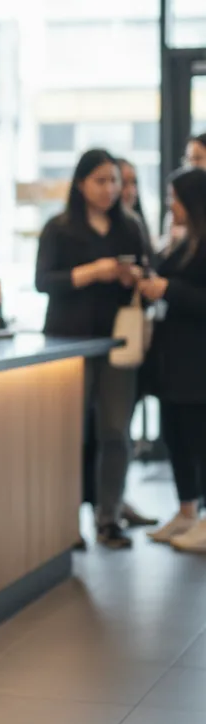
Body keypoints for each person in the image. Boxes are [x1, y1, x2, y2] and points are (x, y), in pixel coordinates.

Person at [35, 148, 148, 550]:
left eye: (115, 180)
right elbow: (44, 282)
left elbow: (148, 279)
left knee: (116, 432)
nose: (110, 189)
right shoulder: (59, 228)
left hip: (118, 344)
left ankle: (108, 518)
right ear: (81, 183)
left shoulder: (131, 227)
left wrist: (133, 277)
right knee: (71, 434)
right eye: (100, 180)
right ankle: (65, 523)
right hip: (69, 344)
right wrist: (93, 272)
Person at [140, 167, 206, 551]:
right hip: (173, 361)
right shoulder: (185, 242)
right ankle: (186, 512)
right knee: (176, 437)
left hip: (197, 363)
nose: (170, 205)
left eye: (175, 198)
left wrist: (169, 289)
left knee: (199, 441)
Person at [110, 157, 159, 530]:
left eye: (131, 183)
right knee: (102, 430)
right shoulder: (86, 227)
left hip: (131, 340)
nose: (125, 190)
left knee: (118, 429)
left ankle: (114, 501)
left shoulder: (136, 227)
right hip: (95, 339)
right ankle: (104, 506)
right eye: (117, 181)